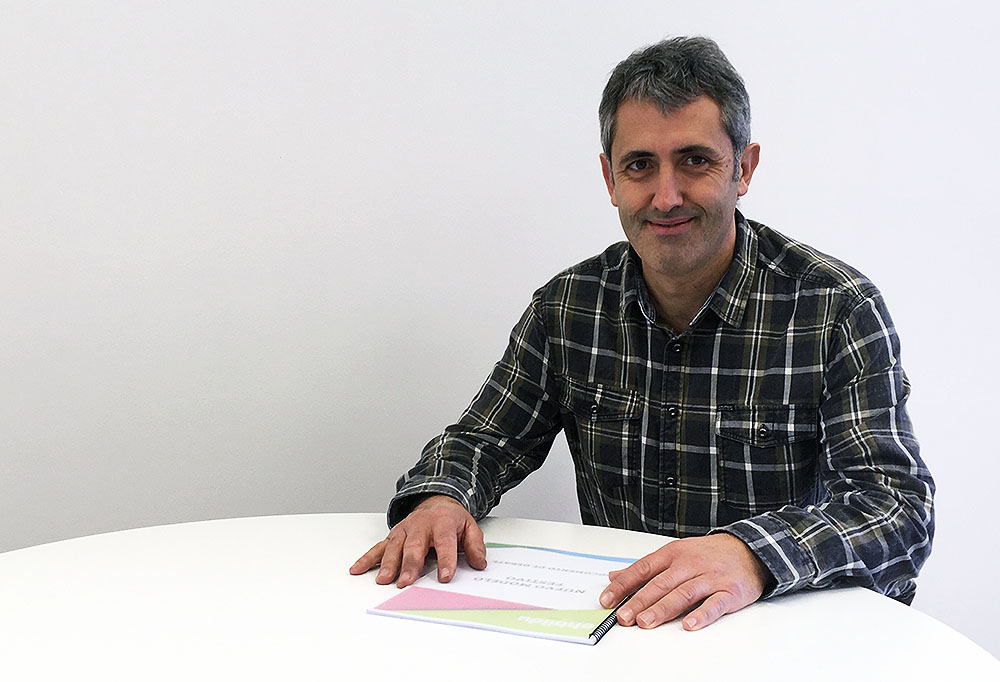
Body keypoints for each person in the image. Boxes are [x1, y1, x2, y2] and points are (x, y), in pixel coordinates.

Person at [350, 36, 935, 632]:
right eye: (639, 166)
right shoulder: (568, 307)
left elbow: (896, 509)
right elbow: (485, 440)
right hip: (623, 632)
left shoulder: (836, 309)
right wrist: (444, 496)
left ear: (744, 168)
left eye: (695, 160)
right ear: (609, 178)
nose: (666, 196)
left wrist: (751, 554)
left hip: (774, 633)